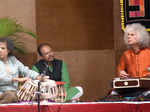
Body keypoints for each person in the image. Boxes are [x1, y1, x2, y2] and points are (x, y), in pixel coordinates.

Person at [109, 23, 150, 101]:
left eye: (132, 35)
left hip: (147, 88)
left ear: (141, 37)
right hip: (131, 88)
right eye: (128, 35)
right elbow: (120, 70)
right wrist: (121, 73)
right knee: (113, 94)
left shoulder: (148, 53)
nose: (129, 36)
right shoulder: (126, 54)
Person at [0, 37, 47, 104]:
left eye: (3, 48)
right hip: (2, 93)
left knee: (35, 95)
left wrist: (38, 77)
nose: (0, 50)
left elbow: (25, 70)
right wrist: (17, 79)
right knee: (11, 96)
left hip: (14, 93)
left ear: (8, 50)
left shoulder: (13, 60)